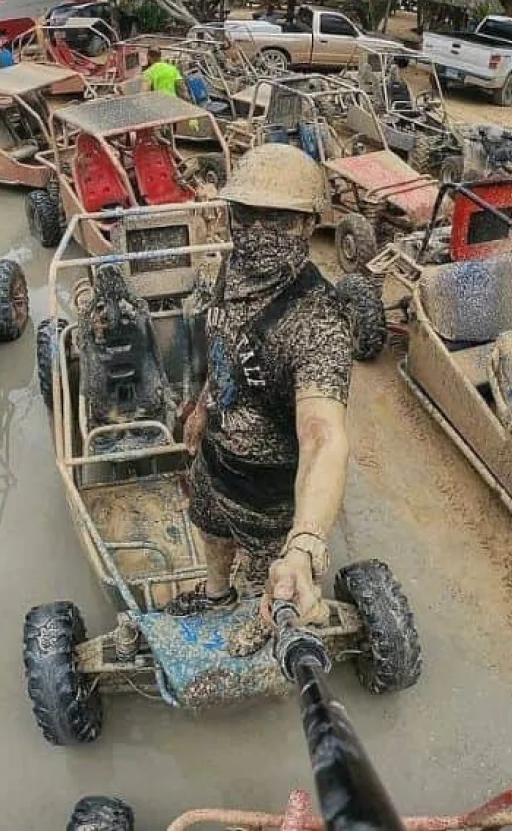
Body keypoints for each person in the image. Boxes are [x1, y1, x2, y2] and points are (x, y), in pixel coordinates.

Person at [166, 143, 353, 651]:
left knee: (271, 582)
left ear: (309, 227)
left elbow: (323, 436)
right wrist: (203, 408)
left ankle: (255, 618)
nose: (255, 232)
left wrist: (306, 544)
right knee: (209, 529)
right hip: (215, 462)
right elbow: (224, 344)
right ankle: (216, 594)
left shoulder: (317, 323)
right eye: (244, 215)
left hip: (269, 499)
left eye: (278, 220)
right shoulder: (232, 271)